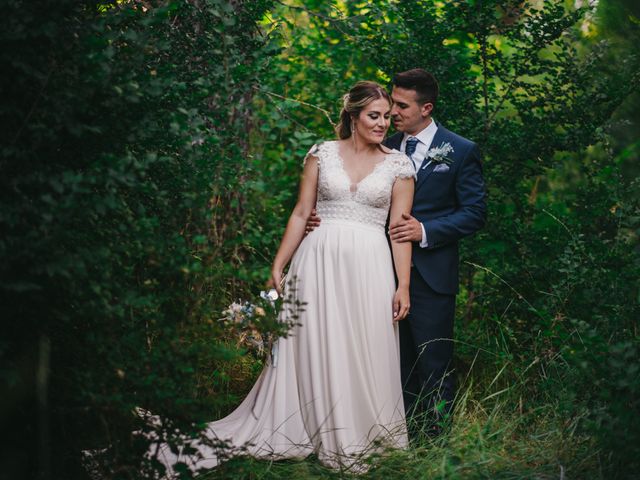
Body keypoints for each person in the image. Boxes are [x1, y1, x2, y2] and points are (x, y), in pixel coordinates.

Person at [142, 81, 415, 476]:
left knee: (363, 343)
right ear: (353, 116)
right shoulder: (321, 154)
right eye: (375, 116)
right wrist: (278, 265)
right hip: (316, 262)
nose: (383, 124)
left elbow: (398, 229)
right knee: (311, 342)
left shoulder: (398, 166)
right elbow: (302, 213)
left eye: (388, 117)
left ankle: (365, 431)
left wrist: (402, 284)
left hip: (371, 269)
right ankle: (303, 423)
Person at [307, 69, 487, 436]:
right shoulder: (381, 145)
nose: (393, 112)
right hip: (376, 272)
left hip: (432, 276)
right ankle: (391, 434)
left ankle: (434, 443)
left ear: (427, 108)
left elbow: (475, 213)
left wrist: (426, 230)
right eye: (391, 104)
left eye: (401, 106)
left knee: (433, 361)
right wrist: (322, 216)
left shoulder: (461, 151)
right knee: (385, 362)